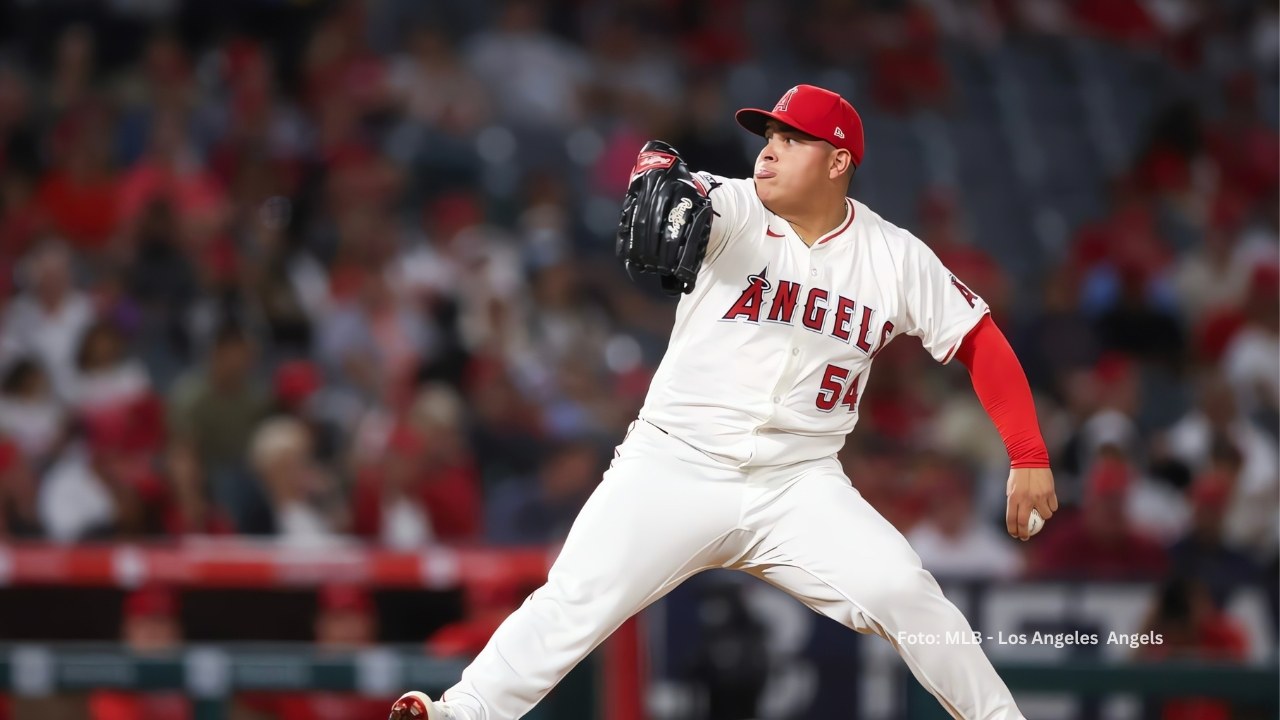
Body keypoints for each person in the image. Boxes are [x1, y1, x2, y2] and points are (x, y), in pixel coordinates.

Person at [391, 84, 1058, 720]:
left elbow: (983, 342)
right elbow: (676, 189)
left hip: (798, 485)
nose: (768, 149)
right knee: (575, 598)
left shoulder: (893, 257)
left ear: (838, 161)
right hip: (674, 464)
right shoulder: (736, 208)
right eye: (767, 135)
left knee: (908, 596)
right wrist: (655, 171)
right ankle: (460, 710)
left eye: (791, 139)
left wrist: (1028, 455)